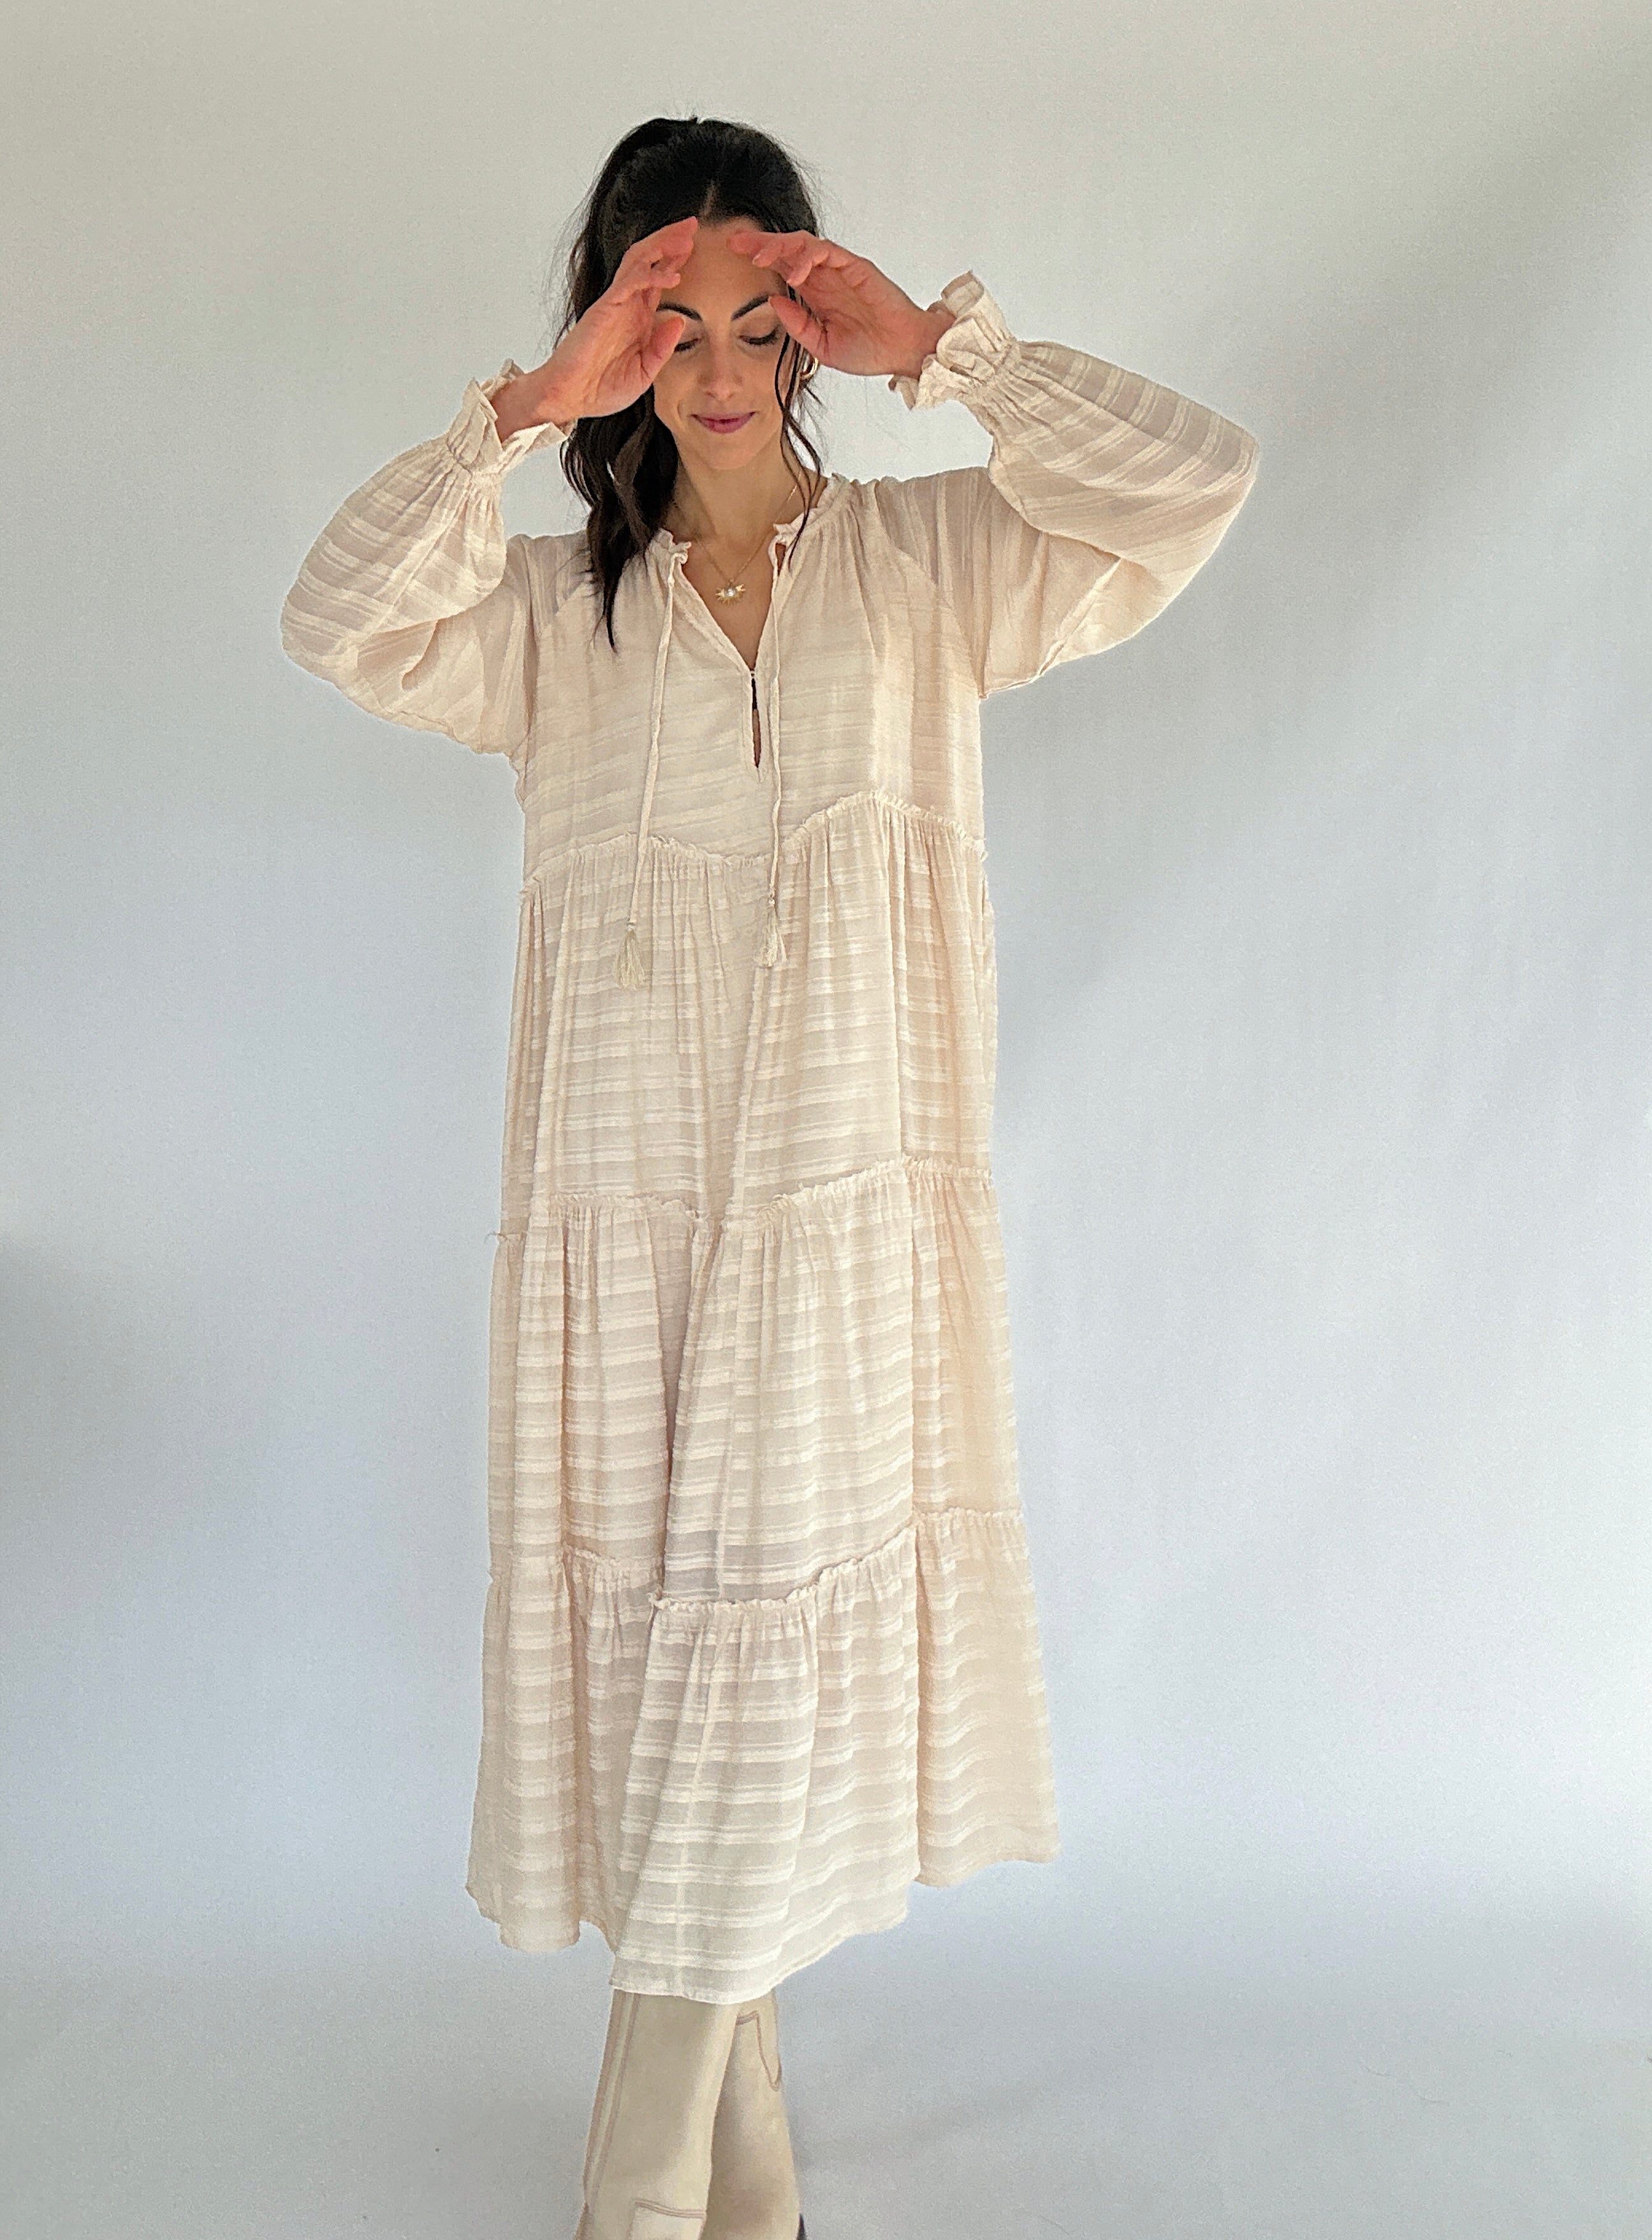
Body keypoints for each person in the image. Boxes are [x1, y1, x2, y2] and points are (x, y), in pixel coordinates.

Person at [279, 112, 1259, 2240]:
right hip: (617, 1261)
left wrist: (947, 352)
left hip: (839, 1256)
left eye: (754, 319)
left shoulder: (928, 574)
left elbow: (1192, 486)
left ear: (805, 333)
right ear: (618, 339)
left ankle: (629, 2199)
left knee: (734, 1695)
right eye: (669, 324)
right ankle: (758, 2176)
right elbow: (336, 621)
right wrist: (528, 407)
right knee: (678, 1709)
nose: (718, 366)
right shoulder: (551, 622)